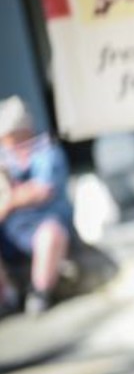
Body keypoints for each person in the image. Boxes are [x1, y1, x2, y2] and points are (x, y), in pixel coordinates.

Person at [0, 96, 76, 317]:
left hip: (43, 224)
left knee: (50, 235)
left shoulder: (45, 151)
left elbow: (42, 189)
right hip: (10, 229)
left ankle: (40, 292)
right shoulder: (5, 158)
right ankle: (6, 296)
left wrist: (9, 200)